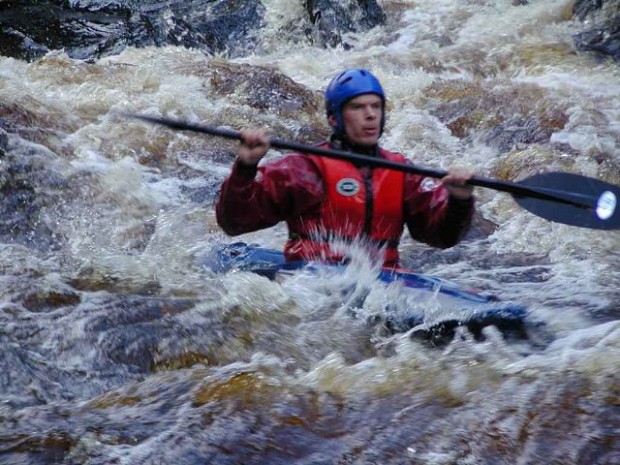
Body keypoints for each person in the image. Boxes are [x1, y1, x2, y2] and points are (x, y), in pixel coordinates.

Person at [215, 68, 474, 268]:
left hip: (382, 282)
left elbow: (441, 236)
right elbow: (235, 222)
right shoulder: (303, 169)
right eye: (358, 107)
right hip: (313, 281)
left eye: (376, 106)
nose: (370, 115)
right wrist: (245, 167)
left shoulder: (402, 172)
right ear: (334, 118)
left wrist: (459, 200)